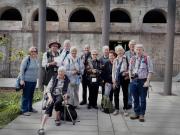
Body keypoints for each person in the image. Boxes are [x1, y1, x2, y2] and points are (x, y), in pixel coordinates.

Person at [38, 66, 70, 134]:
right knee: (50, 104)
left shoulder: (67, 80)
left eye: (61, 73)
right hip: (51, 94)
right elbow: (48, 89)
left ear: (64, 73)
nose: (60, 74)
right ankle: (41, 127)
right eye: (59, 72)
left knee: (58, 102)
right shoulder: (54, 77)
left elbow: (68, 91)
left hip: (60, 94)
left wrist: (66, 95)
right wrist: (50, 97)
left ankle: (57, 118)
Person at [129, 44, 153, 122]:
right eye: (137, 49)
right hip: (134, 81)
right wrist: (130, 79)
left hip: (143, 81)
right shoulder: (132, 58)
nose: (138, 51)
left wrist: (147, 81)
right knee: (135, 98)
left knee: (142, 99)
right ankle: (136, 113)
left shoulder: (147, 58)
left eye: (140, 49)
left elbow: (150, 71)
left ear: (143, 50)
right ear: (134, 50)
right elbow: (130, 69)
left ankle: (142, 114)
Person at [19, 46, 39, 116]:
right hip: (27, 80)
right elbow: (21, 70)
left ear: (36, 52)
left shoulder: (36, 59)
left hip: (34, 81)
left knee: (31, 95)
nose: (33, 52)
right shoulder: (26, 59)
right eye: (32, 51)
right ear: (29, 52)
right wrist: (22, 80)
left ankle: (30, 108)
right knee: (26, 95)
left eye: (35, 51)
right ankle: (24, 110)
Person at [112, 45, 129, 116]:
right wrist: (113, 80)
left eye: (121, 50)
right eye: (118, 51)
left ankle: (125, 109)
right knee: (116, 94)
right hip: (116, 78)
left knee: (125, 94)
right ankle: (116, 109)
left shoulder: (126, 58)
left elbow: (130, 68)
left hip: (124, 78)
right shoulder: (115, 60)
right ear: (116, 52)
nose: (119, 52)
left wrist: (127, 73)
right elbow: (113, 70)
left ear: (123, 51)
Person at [125, 40, 136, 109]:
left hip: (136, 75)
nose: (132, 46)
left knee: (136, 90)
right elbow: (125, 63)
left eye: (133, 44)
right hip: (128, 75)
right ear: (129, 46)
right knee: (129, 90)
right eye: (131, 44)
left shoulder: (138, 52)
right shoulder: (126, 53)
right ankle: (129, 103)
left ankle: (136, 103)